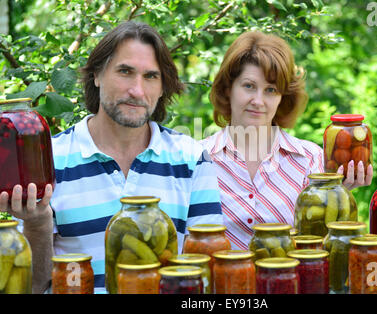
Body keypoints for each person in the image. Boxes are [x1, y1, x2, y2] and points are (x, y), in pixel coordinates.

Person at [0, 21, 223, 293]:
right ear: (96, 75)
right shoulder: (50, 159)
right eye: (125, 72)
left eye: (151, 76)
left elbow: (208, 277)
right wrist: (37, 222)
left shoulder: (192, 159)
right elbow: (34, 286)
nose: (137, 91)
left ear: (164, 87)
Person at [201, 31, 372, 249]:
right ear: (228, 89)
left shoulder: (311, 160)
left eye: (271, 90)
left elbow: (323, 246)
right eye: (249, 86)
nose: (258, 101)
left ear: (282, 98)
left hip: (290, 282)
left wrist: (341, 196)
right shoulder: (197, 159)